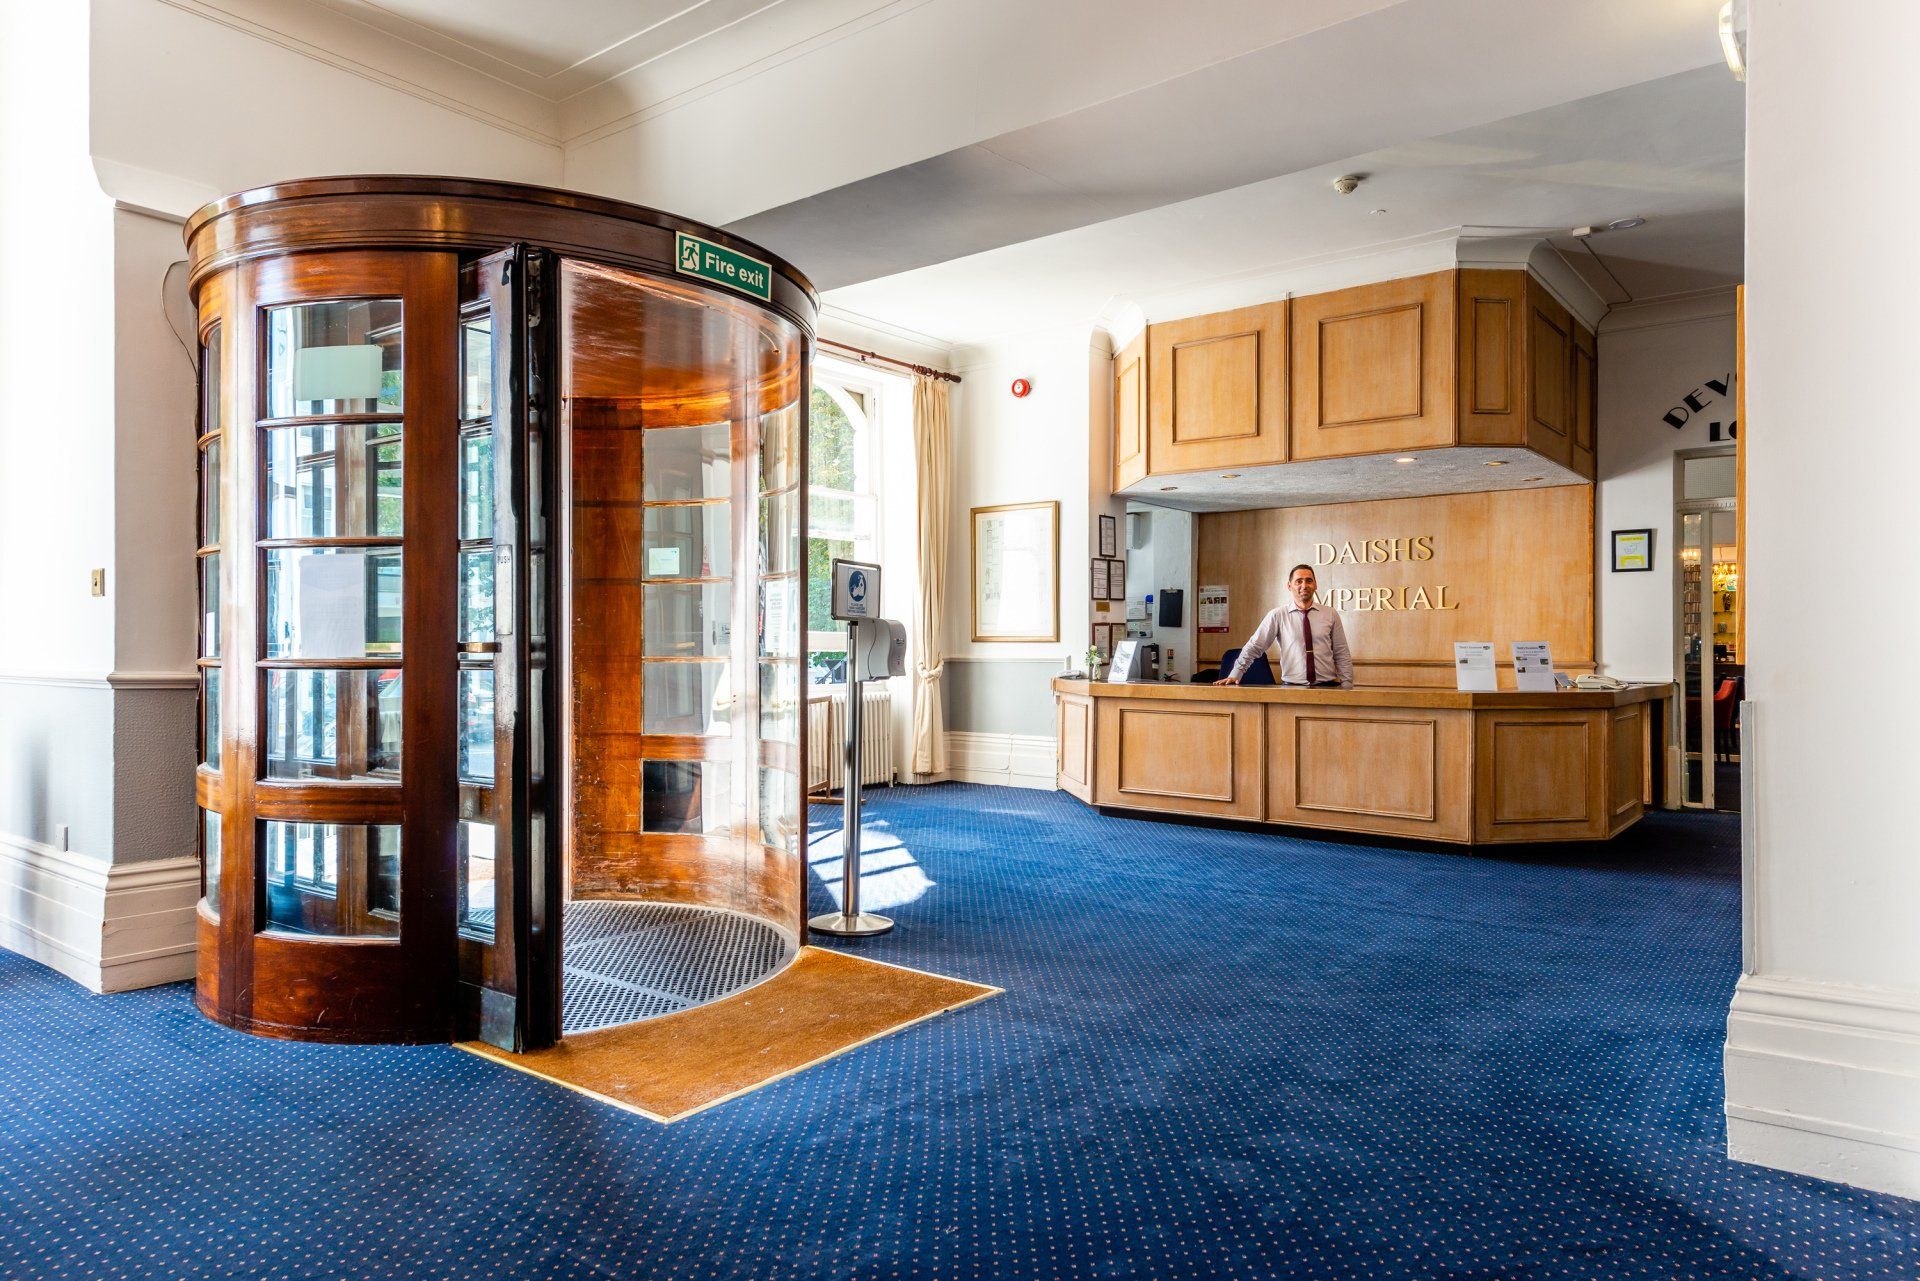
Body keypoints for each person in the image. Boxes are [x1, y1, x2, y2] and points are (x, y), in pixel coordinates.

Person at [1214, 564, 1353, 688]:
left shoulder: (1330, 614)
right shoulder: (1277, 615)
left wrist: (1347, 686)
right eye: (1299, 581)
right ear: (1289, 586)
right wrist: (1236, 673)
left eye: (1309, 581)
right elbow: (1255, 646)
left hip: (1328, 687)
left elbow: (1341, 653)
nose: (1304, 585)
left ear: (1315, 585)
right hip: (1292, 688)